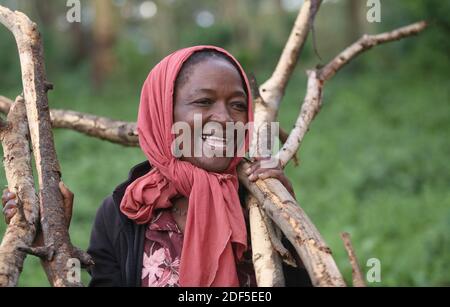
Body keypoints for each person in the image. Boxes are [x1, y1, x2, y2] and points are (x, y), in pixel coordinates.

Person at [2, 45, 311, 287]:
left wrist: (287, 220)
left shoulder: (259, 202)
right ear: (163, 112)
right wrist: (53, 244)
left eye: (238, 105)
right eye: (204, 102)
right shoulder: (124, 212)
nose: (226, 119)